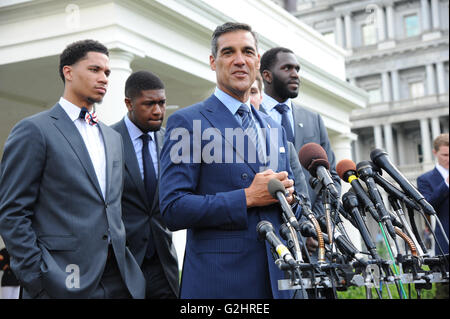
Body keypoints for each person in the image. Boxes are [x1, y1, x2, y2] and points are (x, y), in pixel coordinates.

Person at [159, 22, 297, 299]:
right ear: (213, 62)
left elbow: (292, 202)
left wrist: (292, 199)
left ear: (258, 61)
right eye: (228, 52)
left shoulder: (273, 127)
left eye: (247, 52)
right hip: (221, 283)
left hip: (279, 279)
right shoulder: (187, 122)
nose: (239, 60)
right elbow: (173, 208)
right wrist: (246, 197)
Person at [0, 39, 145, 299]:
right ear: (68, 72)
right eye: (94, 70)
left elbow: (112, 207)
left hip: (119, 279)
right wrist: (38, 279)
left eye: (107, 73)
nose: (104, 78)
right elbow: (12, 212)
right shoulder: (34, 130)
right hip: (61, 281)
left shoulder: (113, 138)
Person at [111, 71, 179, 299]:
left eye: (162, 103)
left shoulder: (170, 140)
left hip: (163, 262)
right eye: (149, 104)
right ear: (129, 103)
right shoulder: (107, 139)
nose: (158, 111)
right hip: (122, 263)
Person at [259, 47, 341, 220]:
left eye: (297, 69)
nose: (295, 74)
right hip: (266, 228)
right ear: (267, 75)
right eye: (287, 68)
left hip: (312, 234)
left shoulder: (313, 119)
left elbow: (331, 177)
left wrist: (313, 223)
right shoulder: (250, 116)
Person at [417, 133, 449, 256]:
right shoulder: (425, 179)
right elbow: (428, 206)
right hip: (446, 241)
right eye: (445, 155)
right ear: (435, 153)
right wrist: (446, 184)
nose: (449, 159)